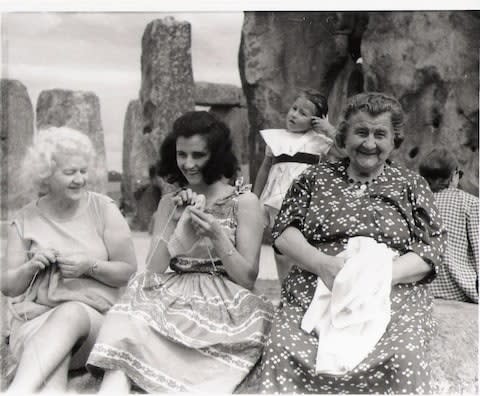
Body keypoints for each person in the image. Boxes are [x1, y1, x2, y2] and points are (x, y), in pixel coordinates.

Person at [253, 92, 447, 394]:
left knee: (404, 355)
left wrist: (374, 275)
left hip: (391, 287)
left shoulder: (411, 185)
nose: (369, 143)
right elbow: (284, 230)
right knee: (283, 348)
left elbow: (431, 247)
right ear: (344, 135)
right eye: (361, 132)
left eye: (380, 134)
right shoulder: (313, 178)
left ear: (394, 139)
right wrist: (323, 264)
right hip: (318, 280)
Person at [87, 111, 274, 393]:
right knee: (128, 314)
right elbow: (152, 271)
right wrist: (176, 228)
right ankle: (115, 385)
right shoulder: (168, 203)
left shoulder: (244, 202)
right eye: (181, 154)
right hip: (173, 294)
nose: (188, 164)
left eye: (198, 155)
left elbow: (247, 279)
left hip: (227, 300)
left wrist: (217, 236)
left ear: (217, 155)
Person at [2, 127, 137, 393]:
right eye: (70, 172)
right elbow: (8, 286)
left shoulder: (104, 209)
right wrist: (30, 268)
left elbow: (127, 272)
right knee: (52, 376)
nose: (79, 179)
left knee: (71, 311)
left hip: (95, 328)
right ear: (46, 175)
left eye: (83, 171)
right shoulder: (25, 218)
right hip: (35, 325)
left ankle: (17, 391)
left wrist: (90, 266)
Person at [253, 89, 341, 282]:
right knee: (280, 246)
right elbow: (264, 169)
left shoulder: (319, 141)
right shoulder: (276, 138)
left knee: (299, 246)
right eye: (294, 109)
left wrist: (328, 128)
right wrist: (254, 196)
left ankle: (301, 286)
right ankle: (285, 289)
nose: (294, 114)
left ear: (315, 120)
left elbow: (344, 152)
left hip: (303, 202)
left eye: (303, 113)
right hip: (275, 199)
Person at [419, 147, 478, 303]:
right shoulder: (470, 203)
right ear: (453, 176)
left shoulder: (415, 204)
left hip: (423, 289)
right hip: (459, 289)